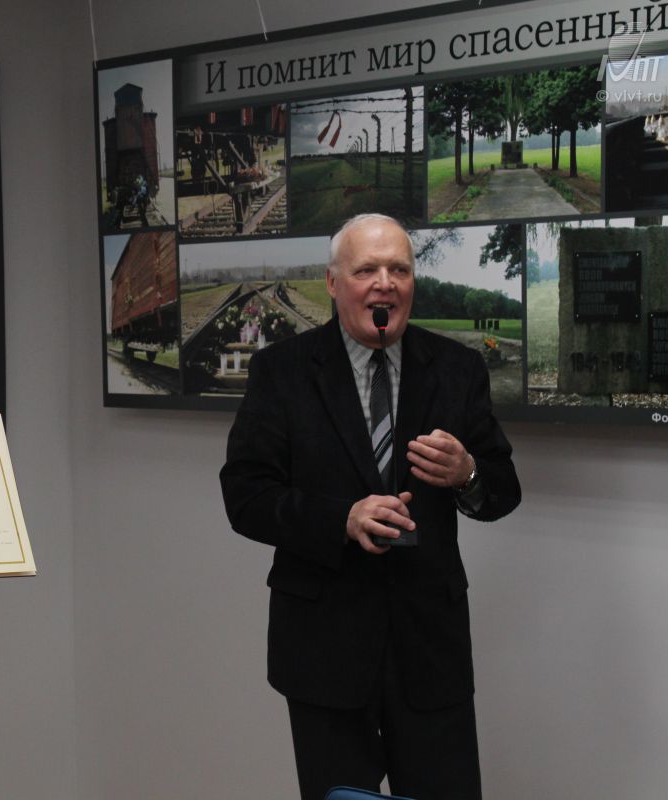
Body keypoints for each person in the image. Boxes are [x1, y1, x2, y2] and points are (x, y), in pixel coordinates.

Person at [219, 213, 520, 800]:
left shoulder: (457, 369)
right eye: (367, 270)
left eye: (399, 270)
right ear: (333, 283)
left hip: (429, 649)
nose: (385, 283)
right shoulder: (281, 372)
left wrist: (467, 473)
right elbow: (245, 495)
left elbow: (502, 491)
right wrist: (342, 519)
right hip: (324, 650)